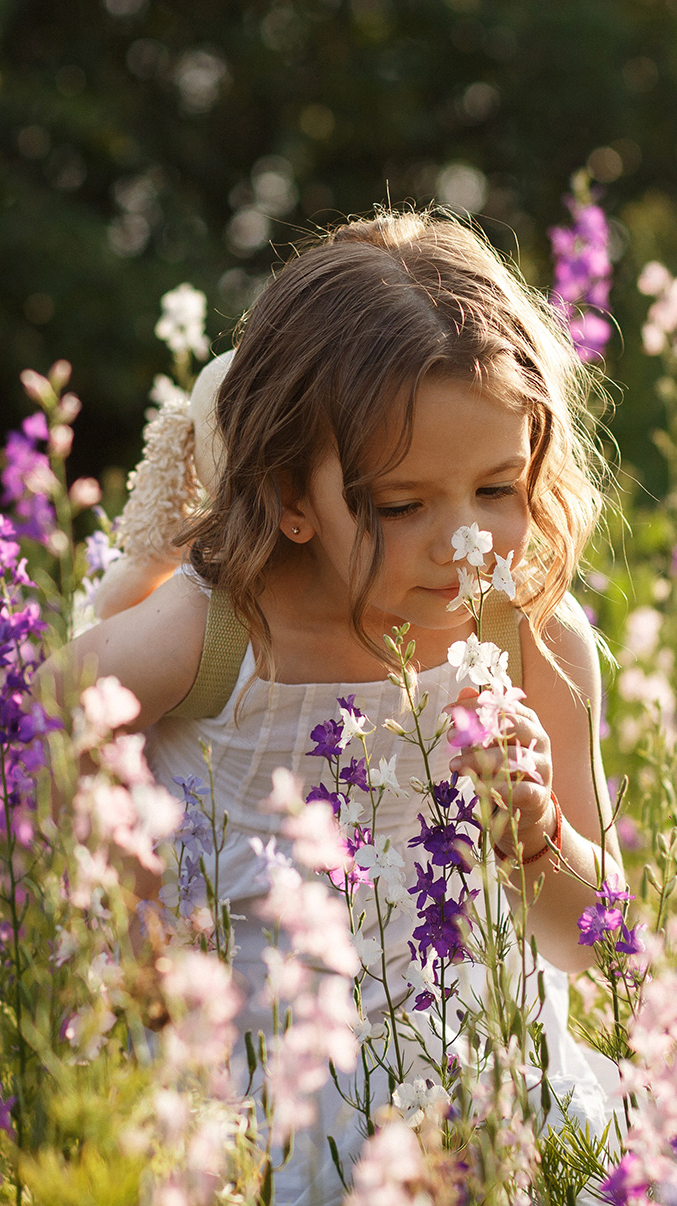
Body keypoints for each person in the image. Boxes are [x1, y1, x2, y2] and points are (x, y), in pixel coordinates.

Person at [69, 208, 623, 1203]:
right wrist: (129, 889)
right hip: (257, 1113)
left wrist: (534, 838)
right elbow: (49, 711)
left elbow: (601, 942)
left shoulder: (529, 636)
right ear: (288, 494)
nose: (466, 544)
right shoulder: (221, 629)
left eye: (498, 488)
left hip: (483, 1109)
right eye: (401, 505)